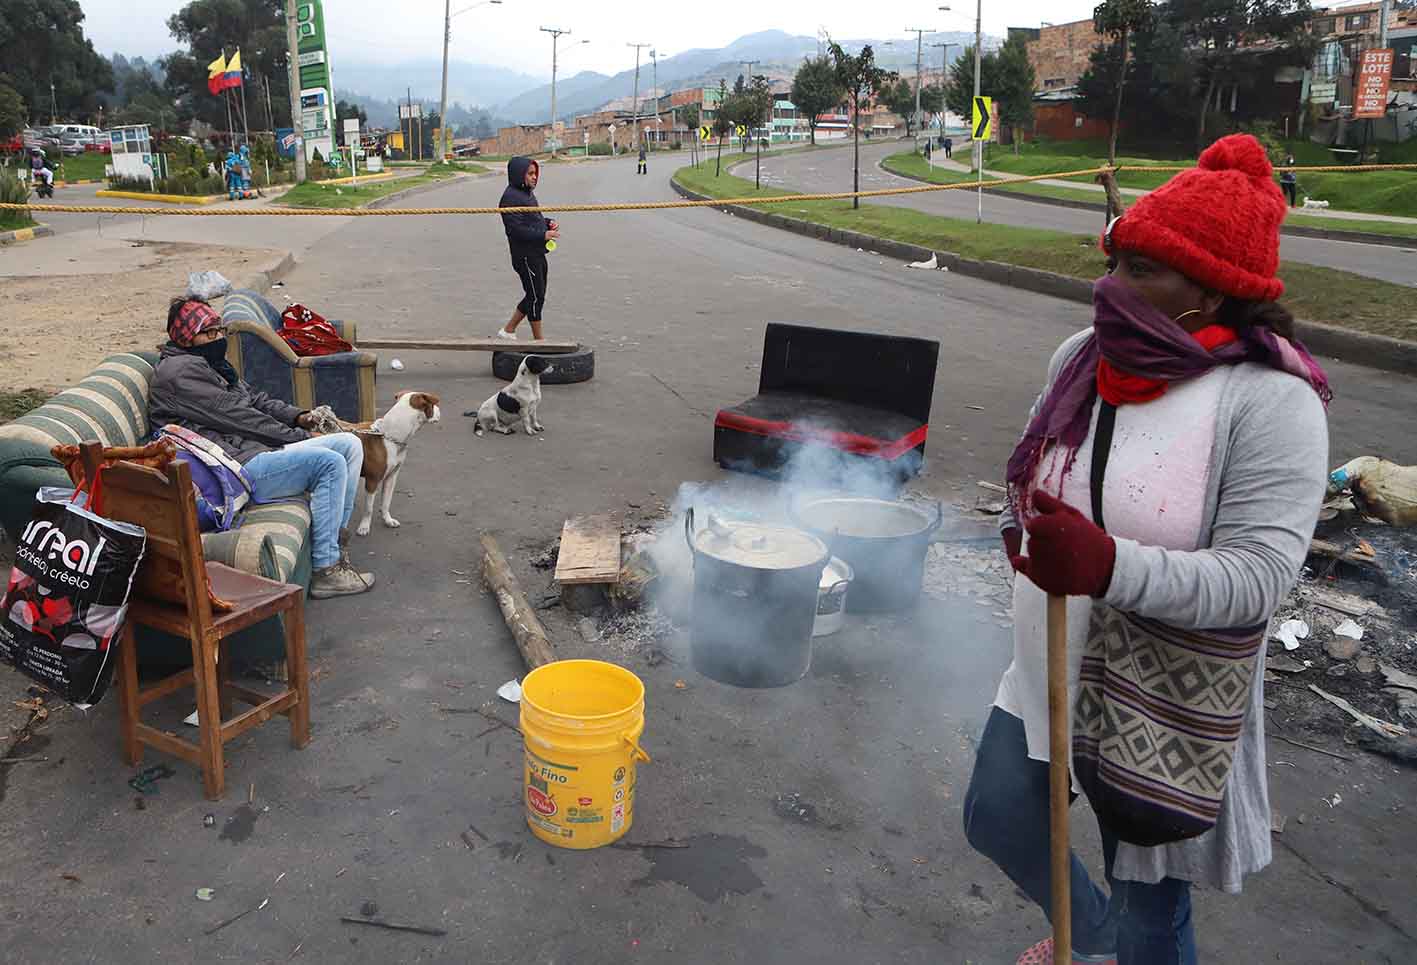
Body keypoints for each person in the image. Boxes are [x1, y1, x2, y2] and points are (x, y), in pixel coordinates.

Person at [963, 134, 1331, 965]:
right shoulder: (1081, 360)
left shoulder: (1270, 402)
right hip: (1045, 661)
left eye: (1140, 270)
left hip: (1156, 701)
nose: (1107, 286)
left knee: (1148, 917)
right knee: (997, 815)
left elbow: (1258, 578)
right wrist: (1020, 525)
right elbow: (1032, 467)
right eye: (1113, 260)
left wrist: (1107, 566)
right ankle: (1085, 941)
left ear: (1214, 290)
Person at [148, 297, 377, 598]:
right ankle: (326, 569)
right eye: (208, 333)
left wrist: (299, 416)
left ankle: (333, 544)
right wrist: (297, 437)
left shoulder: (211, 364)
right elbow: (242, 417)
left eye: (219, 331)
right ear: (186, 338)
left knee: (349, 445)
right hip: (231, 466)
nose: (217, 338)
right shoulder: (179, 374)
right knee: (329, 463)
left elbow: (255, 399)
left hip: (248, 449)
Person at [496, 156, 558, 341]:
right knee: (535, 296)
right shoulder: (509, 198)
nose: (534, 177)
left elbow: (533, 220)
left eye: (535, 173)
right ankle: (540, 341)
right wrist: (542, 235)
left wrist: (547, 223)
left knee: (537, 294)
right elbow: (516, 230)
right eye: (530, 174)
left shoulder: (527, 194)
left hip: (537, 252)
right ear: (518, 174)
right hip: (524, 256)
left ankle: (508, 330)